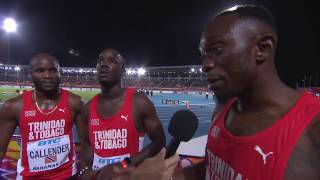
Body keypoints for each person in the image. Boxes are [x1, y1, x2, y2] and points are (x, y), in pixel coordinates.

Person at [167, 4, 320, 180]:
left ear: (262, 48)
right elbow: (212, 167)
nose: (205, 65)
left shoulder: (313, 131)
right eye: (204, 55)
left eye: (216, 50)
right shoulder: (222, 110)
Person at [79, 48, 165, 179]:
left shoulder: (139, 102)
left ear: (123, 71)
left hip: (127, 176)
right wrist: (85, 170)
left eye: (112, 61)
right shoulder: (88, 108)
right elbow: (86, 144)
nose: (104, 64)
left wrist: (125, 164)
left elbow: (159, 141)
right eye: (100, 61)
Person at [0, 54, 84, 179]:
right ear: (30, 74)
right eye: (40, 70)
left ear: (60, 73)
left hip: (67, 176)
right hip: (29, 176)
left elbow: (86, 144)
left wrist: (85, 170)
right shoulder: (13, 106)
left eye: (52, 70)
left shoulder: (75, 102)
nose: (47, 76)